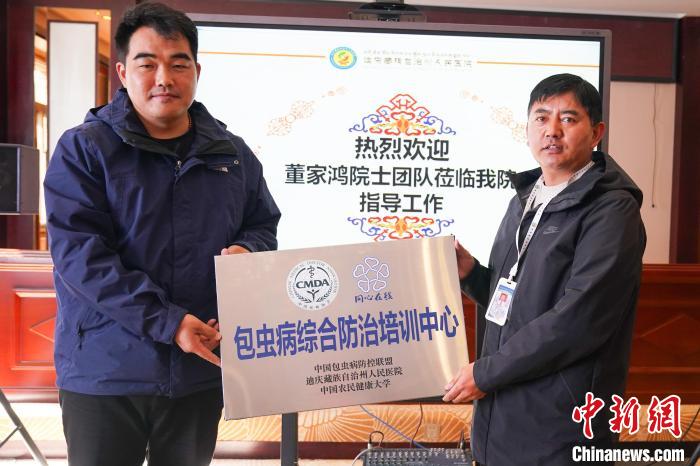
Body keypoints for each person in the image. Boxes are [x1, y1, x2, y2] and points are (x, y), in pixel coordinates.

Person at [44, 3, 280, 465]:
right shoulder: (85, 149)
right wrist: (168, 323)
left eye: (178, 64)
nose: (164, 79)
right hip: (106, 369)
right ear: (123, 72)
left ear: (197, 72)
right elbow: (80, 257)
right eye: (147, 63)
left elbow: (262, 223)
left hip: (198, 368)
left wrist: (247, 248)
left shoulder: (232, 154)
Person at [443, 74, 646, 465]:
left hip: (561, 426)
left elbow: (580, 320)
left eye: (568, 118)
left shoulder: (611, 209)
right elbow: (517, 301)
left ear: (596, 132)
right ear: (527, 129)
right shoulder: (524, 198)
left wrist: (486, 374)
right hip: (501, 416)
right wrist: (472, 275)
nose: (552, 130)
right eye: (541, 117)